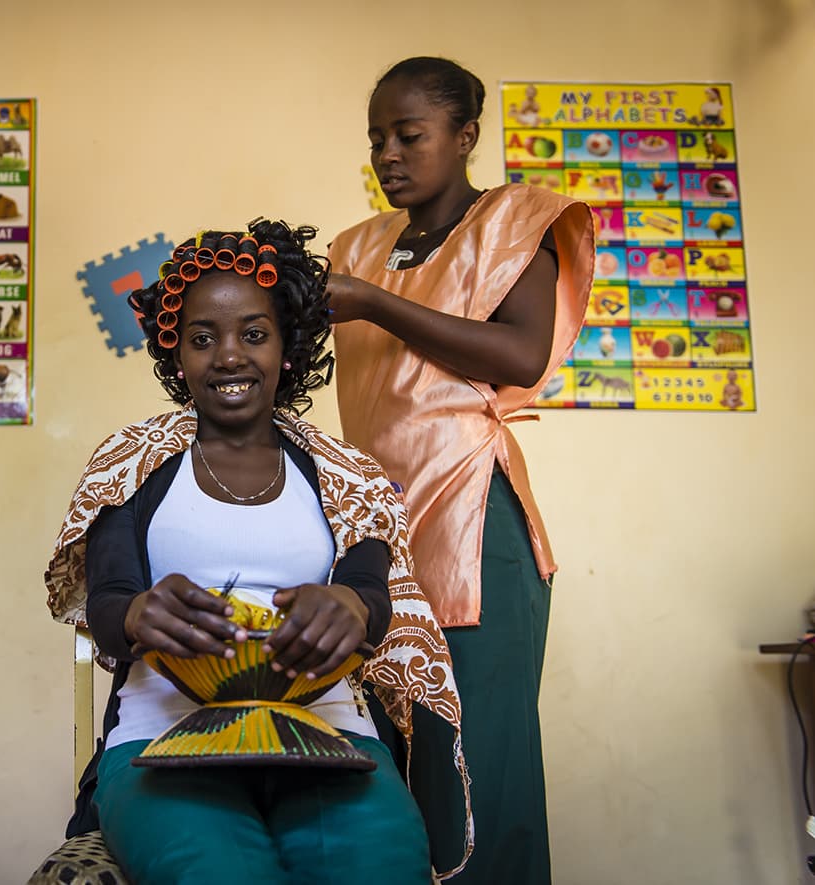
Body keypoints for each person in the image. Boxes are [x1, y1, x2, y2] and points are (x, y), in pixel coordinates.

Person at [45, 219, 468, 883]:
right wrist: (137, 617)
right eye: (202, 338)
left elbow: (375, 596)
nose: (229, 355)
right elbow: (107, 603)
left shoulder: (347, 474)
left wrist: (352, 607)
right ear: (175, 354)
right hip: (162, 738)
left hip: (330, 738)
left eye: (254, 333)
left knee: (381, 866)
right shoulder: (128, 464)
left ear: (287, 347)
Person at [325, 57, 596, 885]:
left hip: (475, 524)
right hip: (375, 531)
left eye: (410, 134)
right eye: (377, 139)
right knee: (390, 770)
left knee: (480, 770)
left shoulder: (513, 221)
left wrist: (374, 302)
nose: (389, 154)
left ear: (465, 135)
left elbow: (518, 352)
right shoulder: (357, 245)